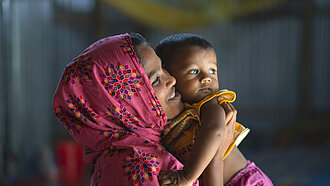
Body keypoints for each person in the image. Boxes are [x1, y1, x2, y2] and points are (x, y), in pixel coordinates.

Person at [53, 33, 235, 185]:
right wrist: (216, 155)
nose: (172, 79)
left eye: (164, 68)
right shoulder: (137, 168)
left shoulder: (149, 144)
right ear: (124, 103)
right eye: (156, 80)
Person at [156, 33, 273, 185]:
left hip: (244, 181)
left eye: (212, 70)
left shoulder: (208, 104)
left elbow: (215, 130)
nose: (206, 78)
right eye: (194, 71)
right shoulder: (179, 112)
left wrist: (187, 176)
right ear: (169, 76)